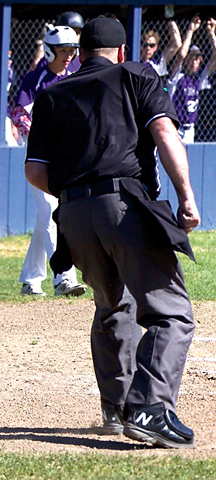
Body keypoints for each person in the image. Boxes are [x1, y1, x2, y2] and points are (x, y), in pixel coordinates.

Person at [24, 17, 200, 448]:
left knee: (111, 307)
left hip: (72, 215)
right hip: (122, 204)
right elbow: (163, 132)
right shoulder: (137, 73)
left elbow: (34, 171)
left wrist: (75, 195)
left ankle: (117, 409)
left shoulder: (52, 92)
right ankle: (152, 407)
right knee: (170, 312)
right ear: (121, 52)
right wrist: (186, 196)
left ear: (80, 53)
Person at [13, 26, 87, 297]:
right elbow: (19, 114)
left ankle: (30, 280)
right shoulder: (36, 78)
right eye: (63, 50)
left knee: (46, 216)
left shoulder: (75, 77)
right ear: (49, 50)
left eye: (72, 50)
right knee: (50, 211)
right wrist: (42, 135)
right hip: (39, 156)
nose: (68, 55)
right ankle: (63, 277)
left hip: (65, 156)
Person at [167, 15, 216, 143]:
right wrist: (191, 30)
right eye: (191, 57)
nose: (194, 61)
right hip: (175, 128)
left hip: (190, 128)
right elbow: (181, 55)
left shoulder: (198, 79)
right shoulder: (177, 76)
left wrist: (211, 33)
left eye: (197, 58)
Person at [139, 12, 182, 79]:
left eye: (151, 45)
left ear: (156, 47)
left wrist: (169, 19)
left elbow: (177, 44)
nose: (148, 48)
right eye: (145, 45)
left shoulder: (158, 60)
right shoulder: (134, 59)